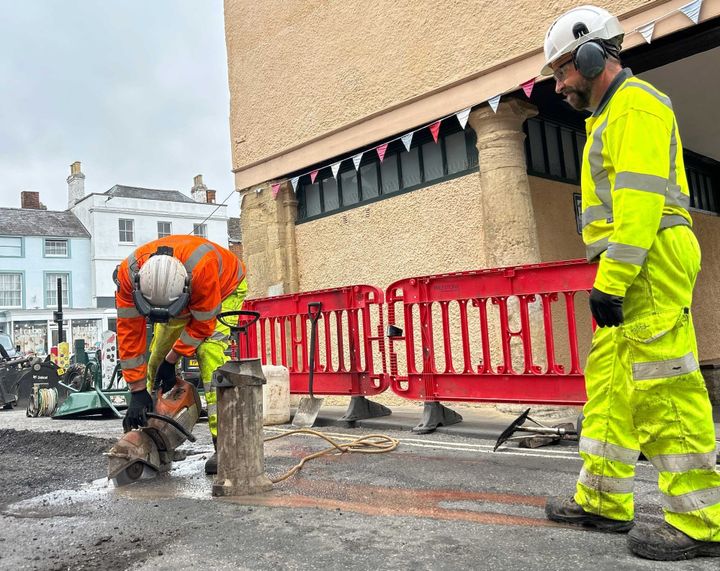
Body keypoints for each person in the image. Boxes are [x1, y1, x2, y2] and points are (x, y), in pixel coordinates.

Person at [541, 5, 720, 561]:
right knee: (615, 385)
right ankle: (602, 499)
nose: (559, 85)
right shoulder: (609, 115)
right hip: (630, 262)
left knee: (664, 388)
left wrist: (614, 278)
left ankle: (702, 521)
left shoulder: (636, 107)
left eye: (563, 70)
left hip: (646, 260)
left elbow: (639, 204)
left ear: (594, 56)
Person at [114, 235, 247, 475]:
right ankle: (154, 437)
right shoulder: (127, 276)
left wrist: (173, 359)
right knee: (154, 357)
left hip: (225, 287)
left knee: (209, 353)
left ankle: (225, 444)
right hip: (177, 298)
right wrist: (137, 391)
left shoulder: (203, 271)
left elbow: (203, 326)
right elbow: (129, 336)